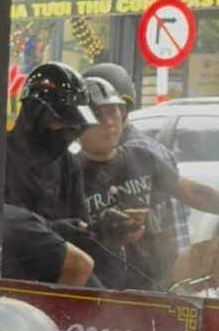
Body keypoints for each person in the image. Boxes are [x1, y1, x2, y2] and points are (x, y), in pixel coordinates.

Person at [76, 76, 219, 289]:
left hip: (154, 286)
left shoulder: (142, 157)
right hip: (99, 292)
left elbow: (194, 193)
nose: (108, 122)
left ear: (123, 113)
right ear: (78, 124)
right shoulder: (69, 172)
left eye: (113, 112)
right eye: (97, 116)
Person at [82, 62, 192, 266]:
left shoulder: (141, 153)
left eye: (111, 111)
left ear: (122, 109)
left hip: (156, 271)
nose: (107, 122)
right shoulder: (140, 149)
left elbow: (173, 218)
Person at [4, 61, 96, 285]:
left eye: (74, 126)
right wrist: (53, 230)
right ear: (36, 116)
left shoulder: (69, 164)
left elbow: (82, 225)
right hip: (6, 278)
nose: (69, 132)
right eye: (61, 122)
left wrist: (103, 230)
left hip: (63, 275)